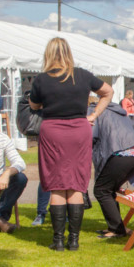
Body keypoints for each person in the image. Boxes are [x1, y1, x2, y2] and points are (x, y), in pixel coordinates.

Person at [29, 37, 114, 251]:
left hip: (53, 131)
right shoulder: (83, 75)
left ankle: (58, 241)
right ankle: (73, 241)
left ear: (48, 53)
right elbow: (108, 92)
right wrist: (94, 114)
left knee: (57, 184)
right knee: (76, 183)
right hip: (79, 130)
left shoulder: (41, 79)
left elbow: (33, 104)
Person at [89, 99, 134, 238]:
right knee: (108, 189)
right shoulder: (117, 110)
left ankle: (117, 229)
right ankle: (115, 227)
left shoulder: (93, 112)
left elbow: (90, 135)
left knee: (101, 190)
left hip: (121, 152)